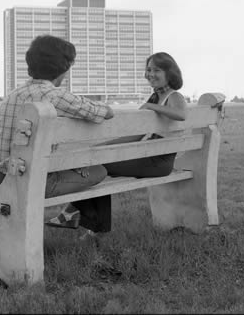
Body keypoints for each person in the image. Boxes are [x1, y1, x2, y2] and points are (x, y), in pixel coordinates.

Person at [48, 52, 187, 234]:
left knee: (98, 165)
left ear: (170, 73)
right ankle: (85, 220)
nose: (150, 74)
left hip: (159, 162)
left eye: (157, 70)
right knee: (98, 163)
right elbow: (136, 135)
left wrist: (150, 107)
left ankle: (79, 216)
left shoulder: (173, 96)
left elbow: (181, 114)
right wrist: (103, 148)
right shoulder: (154, 98)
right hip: (150, 156)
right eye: (149, 69)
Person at [0, 34, 114, 233]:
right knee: (99, 170)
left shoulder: (13, 95)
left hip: (2, 176)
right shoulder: (53, 95)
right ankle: (81, 218)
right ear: (64, 68)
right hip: (34, 182)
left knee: (82, 165)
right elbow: (105, 112)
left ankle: (75, 215)